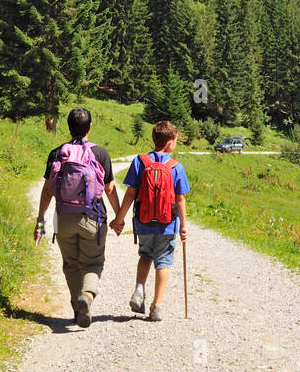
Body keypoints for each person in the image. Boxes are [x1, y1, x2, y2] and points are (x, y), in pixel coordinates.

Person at [36, 107, 121, 328]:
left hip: (64, 218)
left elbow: (47, 190)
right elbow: (110, 189)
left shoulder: (57, 153)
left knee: (71, 265)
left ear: (68, 127)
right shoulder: (100, 153)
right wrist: (119, 216)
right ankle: (87, 296)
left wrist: (40, 218)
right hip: (93, 218)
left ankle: (77, 307)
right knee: (93, 263)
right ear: (90, 127)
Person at [111, 120, 190, 322]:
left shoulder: (140, 161)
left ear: (154, 140)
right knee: (163, 261)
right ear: (170, 143)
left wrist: (119, 220)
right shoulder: (175, 167)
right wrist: (183, 226)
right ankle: (156, 306)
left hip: (143, 222)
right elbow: (180, 200)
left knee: (145, 254)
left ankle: (139, 290)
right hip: (167, 224)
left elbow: (130, 194)